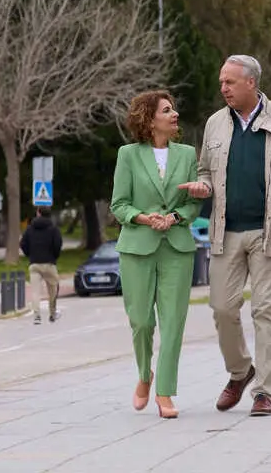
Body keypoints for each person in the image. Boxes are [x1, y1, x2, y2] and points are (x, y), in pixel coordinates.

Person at [178, 54, 271, 417]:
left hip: (270, 232)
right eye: (222, 82)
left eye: (230, 82)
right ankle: (240, 372)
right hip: (225, 231)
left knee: (266, 310)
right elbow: (206, 170)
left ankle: (264, 391)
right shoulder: (214, 125)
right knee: (222, 308)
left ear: (251, 83)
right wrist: (202, 187)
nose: (223, 88)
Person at [110, 90, 201, 420]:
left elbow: (193, 203)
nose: (174, 114)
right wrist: (143, 217)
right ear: (149, 120)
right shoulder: (128, 155)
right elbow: (118, 204)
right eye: (166, 110)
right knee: (142, 322)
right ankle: (144, 374)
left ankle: (164, 391)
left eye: (174, 108)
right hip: (137, 245)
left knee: (173, 322)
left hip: (177, 246)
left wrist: (175, 217)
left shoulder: (188, 154)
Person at [20, 207, 63, 324]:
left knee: (35, 291)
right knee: (53, 289)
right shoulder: (54, 230)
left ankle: (37, 316)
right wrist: (54, 257)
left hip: (34, 264)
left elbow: (23, 244)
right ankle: (52, 313)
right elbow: (58, 245)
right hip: (49, 263)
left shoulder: (30, 229)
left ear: (38, 213)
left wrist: (30, 254)